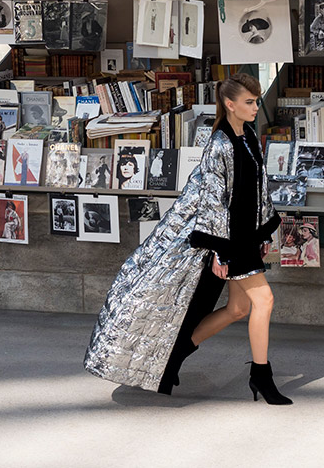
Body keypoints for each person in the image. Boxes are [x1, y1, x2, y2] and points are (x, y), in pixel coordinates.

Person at [86, 73, 291, 405]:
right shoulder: (219, 145)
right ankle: (261, 376)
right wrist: (221, 252)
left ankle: (176, 353)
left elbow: (258, 189)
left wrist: (264, 230)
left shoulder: (249, 136)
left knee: (238, 309)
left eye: (256, 101)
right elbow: (212, 200)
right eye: (249, 102)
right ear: (230, 104)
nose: (256, 107)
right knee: (264, 301)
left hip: (246, 235)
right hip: (231, 240)